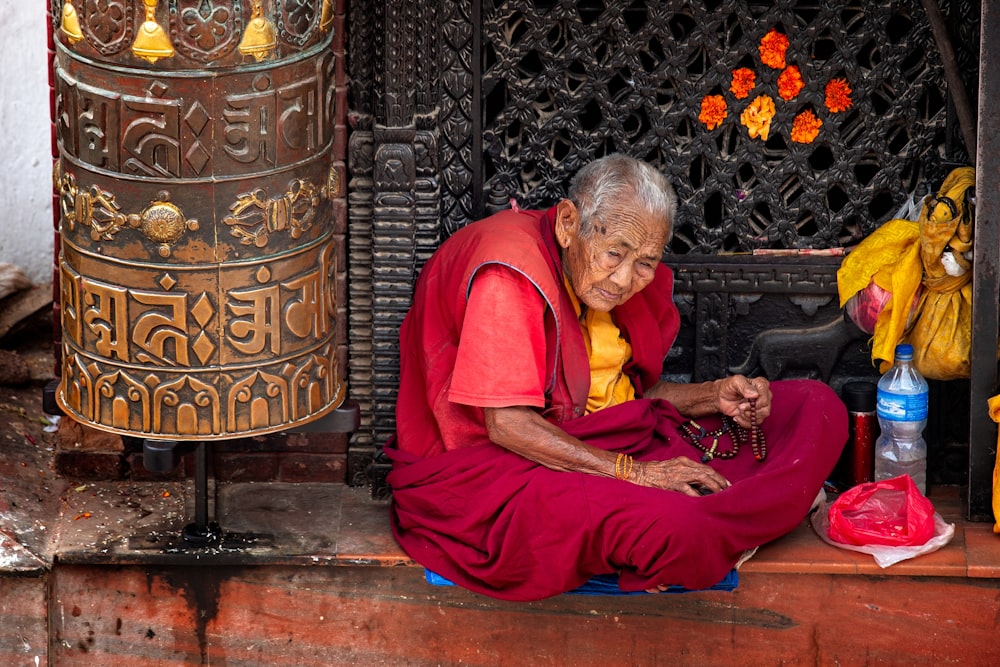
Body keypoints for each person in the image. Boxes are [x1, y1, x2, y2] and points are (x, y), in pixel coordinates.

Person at [386, 154, 847, 601]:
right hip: (503, 470)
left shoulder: (592, 275)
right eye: (615, 254)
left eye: (646, 262)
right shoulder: (511, 276)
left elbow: (629, 397)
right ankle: (751, 513)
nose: (625, 279)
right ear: (569, 224)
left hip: (601, 441)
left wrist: (714, 397)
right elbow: (508, 426)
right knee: (678, 529)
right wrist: (638, 474)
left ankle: (737, 515)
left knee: (816, 405)